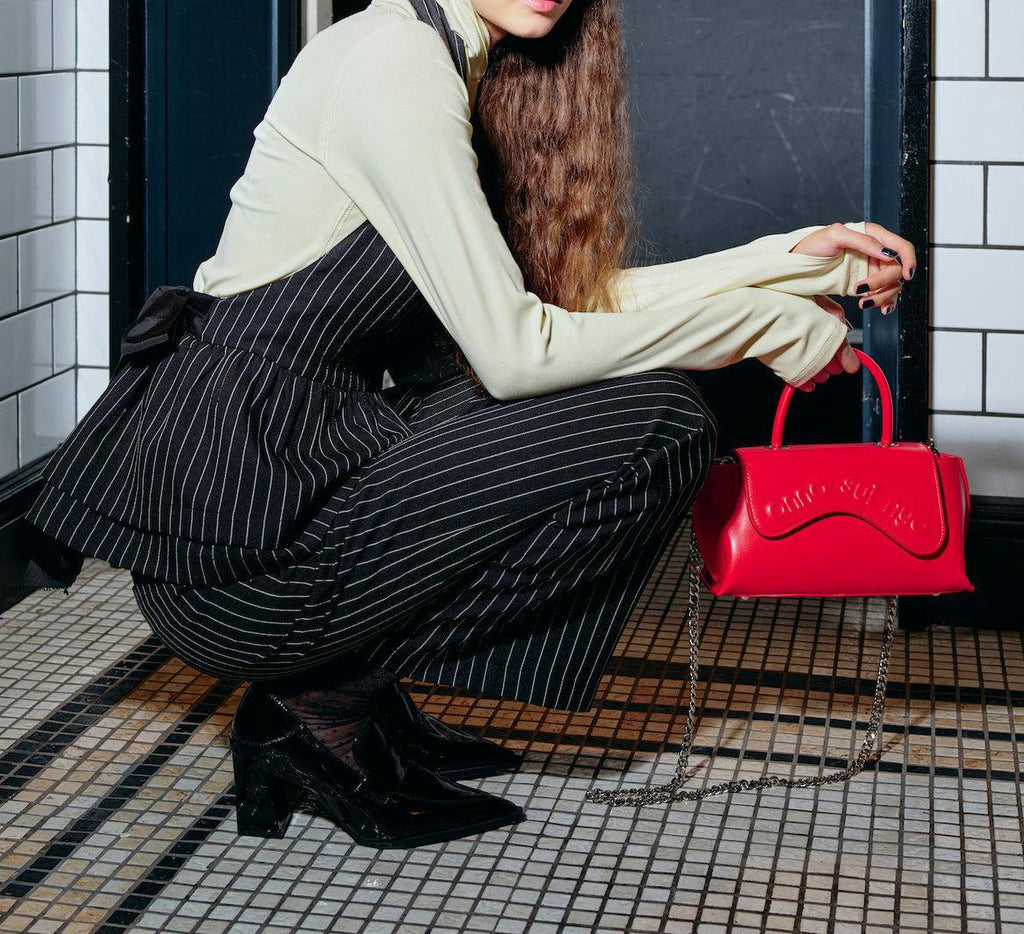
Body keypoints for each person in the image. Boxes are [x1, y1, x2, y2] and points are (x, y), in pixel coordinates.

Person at [21, 0, 916, 849]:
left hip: (302, 479)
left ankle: (351, 692)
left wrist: (789, 266)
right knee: (656, 421)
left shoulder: (455, 59)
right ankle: (319, 703)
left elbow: (556, 306)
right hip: (237, 564)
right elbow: (519, 352)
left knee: (611, 396)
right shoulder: (394, 61)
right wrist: (756, 327)